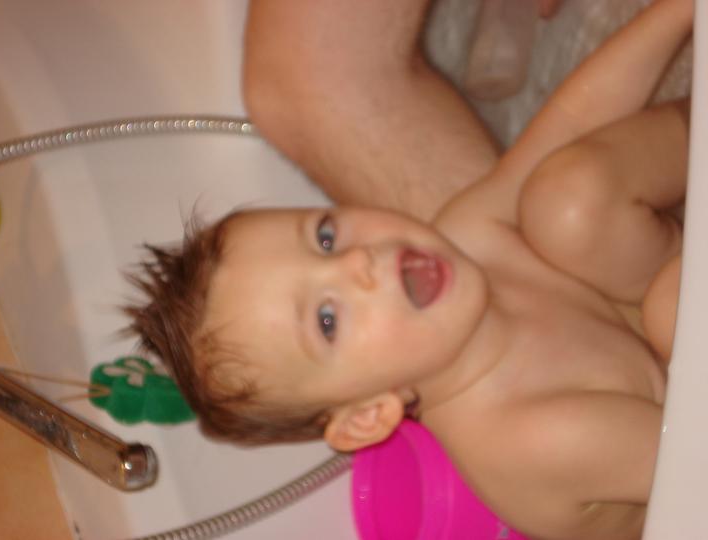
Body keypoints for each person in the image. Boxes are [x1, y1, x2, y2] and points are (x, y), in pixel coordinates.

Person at [125, 0, 692, 538]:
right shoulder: (529, 436)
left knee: (569, 200)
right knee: (670, 304)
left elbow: (571, 119)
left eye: (326, 237)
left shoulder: (468, 234)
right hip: (688, 454)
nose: (357, 262)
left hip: (653, 338)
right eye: (327, 320)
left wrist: (677, 14)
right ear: (369, 414)